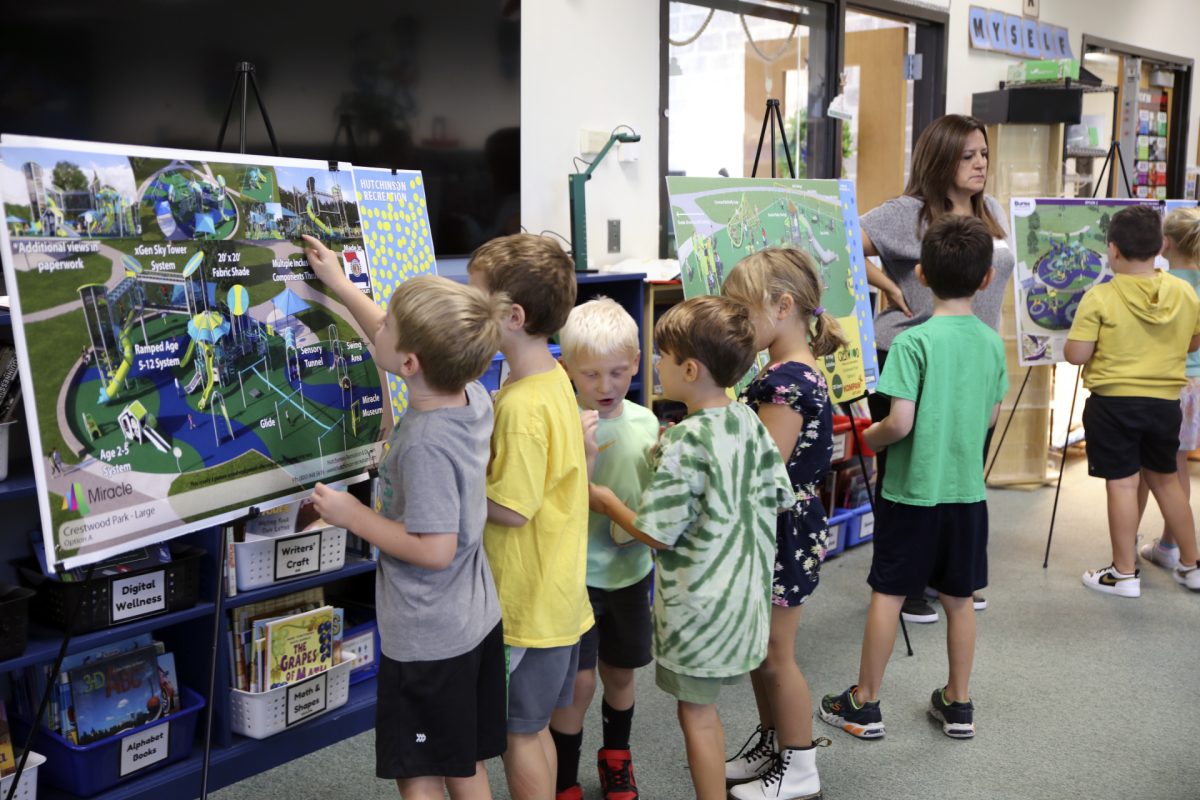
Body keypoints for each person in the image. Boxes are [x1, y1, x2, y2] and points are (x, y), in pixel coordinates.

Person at [302, 234, 510, 799]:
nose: (380, 325)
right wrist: (342, 286)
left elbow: (434, 548)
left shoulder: (422, 443)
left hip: (427, 635)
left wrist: (351, 514)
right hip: (471, 621)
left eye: (388, 321)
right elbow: (397, 342)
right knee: (461, 761)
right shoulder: (471, 394)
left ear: (410, 362)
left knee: (417, 771)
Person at [589, 296, 793, 800]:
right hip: (745, 600)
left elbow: (657, 531)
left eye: (660, 356)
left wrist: (607, 501)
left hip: (699, 609)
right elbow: (777, 493)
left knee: (696, 716)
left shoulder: (686, 441)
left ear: (689, 368)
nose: (655, 366)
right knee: (706, 710)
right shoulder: (747, 420)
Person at [820, 215, 1007, 741]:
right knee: (960, 597)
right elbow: (990, 417)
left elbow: (899, 423)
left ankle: (864, 702)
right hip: (967, 494)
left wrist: (867, 438)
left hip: (910, 493)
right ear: (987, 278)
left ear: (920, 275)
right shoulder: (992, 344)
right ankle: (958, 702)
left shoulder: (911, 344)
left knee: (889, 593)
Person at [860, 113, 1013, 624]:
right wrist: (884, 282)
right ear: (940, 158)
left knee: (963, 467)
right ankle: (906, 584)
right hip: (911, 352)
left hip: (974, 353)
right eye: (967, 155)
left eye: (984, 154)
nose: (979, 164)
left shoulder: (989, 210)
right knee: (907, 473)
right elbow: (836, 245)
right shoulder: (908, 213)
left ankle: (952, 577)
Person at [467, 234, 596, 800]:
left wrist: (458, 483)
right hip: (555, 599)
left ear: (513, 316)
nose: (467, 311)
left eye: (477, 300)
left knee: (519, 735)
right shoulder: (549, 379)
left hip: (526, 607)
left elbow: (511, 511)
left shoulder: (520, 405)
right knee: (533, 728)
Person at [720, 249, 843, 799]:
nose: (735, 323)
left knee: (776, 654)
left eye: (742, 311)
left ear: (783, 306)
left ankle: (799, 766)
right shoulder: (786, 370)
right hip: (783, 521)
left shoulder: (786, 381)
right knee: (761, 649)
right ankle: (773, 745)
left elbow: (764, 469)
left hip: (781, 526)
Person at [550, 298, 659, 800]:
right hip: (577, 578)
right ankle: (564, 778)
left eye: (617, 372)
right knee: (578, 685)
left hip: (632, 573)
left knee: (620, 674)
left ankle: (617, 759)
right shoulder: (562, 425)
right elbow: (553, 505)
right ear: (566, 368)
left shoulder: (647, 424)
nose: (605, 387)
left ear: (636, 363)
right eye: (590, 374)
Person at [1064, 205, 1200, 596]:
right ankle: (1191, 565)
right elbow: (1192, 340)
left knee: (1123, 485)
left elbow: (1076, 354)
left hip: (1114, 404)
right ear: (1160, 246)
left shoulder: (1100, 297)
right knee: (1167, 481)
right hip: (1164, 404)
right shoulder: (1184, 292)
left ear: (1113, 250)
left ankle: (1123, 573)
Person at [1138, 207, 1200, 570]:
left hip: (1166, 384)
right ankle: (1171, 545)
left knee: (1143, 467)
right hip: (1197, 385)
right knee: (1177, 468)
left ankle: (1127, 539)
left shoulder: (1160, 283)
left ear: (1165, 243)